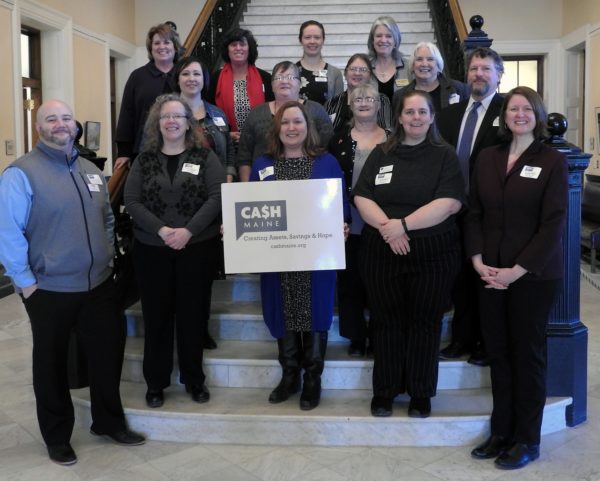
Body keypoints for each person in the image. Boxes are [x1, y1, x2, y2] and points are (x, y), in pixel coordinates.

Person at [0, 99, 145, 466]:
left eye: (66, 118)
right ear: (39, 128)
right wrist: (26, 283)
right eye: (51, 119)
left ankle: (108, 422)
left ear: (75, 125)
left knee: (107, 356)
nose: (61, 124)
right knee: (50, 366)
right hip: (48, 290)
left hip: (98, 285)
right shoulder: (21, 173)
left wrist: (108, 258)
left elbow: (106, 219)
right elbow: (7, 232)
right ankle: (57, 436)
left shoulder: (88, 169)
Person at [465, 86, 568, 469]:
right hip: (489, 272)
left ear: (537, 115)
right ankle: (501, 432)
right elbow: (473, 212)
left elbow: (552, 224)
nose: (519, 114)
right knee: (499, 355)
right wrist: (477, 261)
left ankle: (527, 439)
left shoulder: (552, 160)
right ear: (504, 116)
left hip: (533, 276)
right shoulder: (488, 158)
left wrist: (516, 271)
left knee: (526, 357)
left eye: (527, 109)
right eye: (513, 108)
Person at [353, 90, 464, 418]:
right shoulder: (381, 152)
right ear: (399, 117)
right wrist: (390, 229)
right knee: (385, 321)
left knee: (424, 323)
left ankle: (420, 392)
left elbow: (450, 202)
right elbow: (362, 195)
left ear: (432, 117)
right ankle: (384, 391)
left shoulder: (445, 155)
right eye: (409, 112)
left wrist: (403, 226)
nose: (416, 118)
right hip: (382, 252)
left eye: (422, 112)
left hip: (433, 253)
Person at [124, 94, 225, 409]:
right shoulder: (144, 159)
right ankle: (156, 383)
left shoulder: (206, 157)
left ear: (187, 123)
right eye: (165, 117)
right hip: (152, 250)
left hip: (196, 249)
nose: (171, 121)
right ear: (157, 123)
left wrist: (188, 231)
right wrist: (163, 230)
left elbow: (216, 197)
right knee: (157, 319)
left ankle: (194, 380)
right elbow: (132, 199)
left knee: (193, 317)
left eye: (177, 116)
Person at [250, 101, 350, 410]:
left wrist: (342, 225)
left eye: (298, 122)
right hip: (278, 255)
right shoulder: (262, 164)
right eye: (286, 123)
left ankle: (312, 379)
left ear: (308, 128)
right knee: (282, 310)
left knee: (315, 310)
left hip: (316, 253)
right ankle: (289, 374)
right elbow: (251, 207)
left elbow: (340, 204)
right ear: (277, 129)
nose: (292, 128)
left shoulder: (327, 162)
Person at [436, 47, 505, 365]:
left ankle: (485, 344)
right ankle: (461, 339)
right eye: (474, 68)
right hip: (453, 209)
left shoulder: (508, 112)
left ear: (498, 75)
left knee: (486, 278)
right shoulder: (450, 113)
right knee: (459, 278)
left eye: (486, 69)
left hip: (490, 212)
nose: (479, 74)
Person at [175, 56, 233, 350]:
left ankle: (200, 328)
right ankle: (179, 329)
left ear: (204, 79)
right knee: (176, 277)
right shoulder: (167, 111)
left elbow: (229, 154)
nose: (192, 78)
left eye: (197, 73)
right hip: (176, 205)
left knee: (203, 275)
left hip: (211, 203)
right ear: (178, 78)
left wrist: (231, 181)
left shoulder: (217, 114)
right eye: (186, 73)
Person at [328, 83, 389, 357]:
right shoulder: (337, 139)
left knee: (379, 283)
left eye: (369, 98)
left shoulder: (392, 139)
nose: (364, 102)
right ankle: (356, 336)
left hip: (382, 223)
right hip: (347, 223)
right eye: (358, 99)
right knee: (350, 282)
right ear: (350, 105)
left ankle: (379, 335)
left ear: (378, 105)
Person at [237, 61, 334, 182]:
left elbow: (329, 147)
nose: (284, 81)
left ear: (300, 84)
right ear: (271, 86)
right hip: (264, 187)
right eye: (279, 77)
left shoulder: (316, 111)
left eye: (290, 77)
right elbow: (244, 157)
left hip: (312, 183)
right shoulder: (256, 114)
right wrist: (248, 191)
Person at [114, 23, 181, 169]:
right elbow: (127, 113)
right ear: (151, 48)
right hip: (145, 149)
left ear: (175, 47)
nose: (161, 46)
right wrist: (123, 152)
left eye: (166, 42)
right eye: (156, 43)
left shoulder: (185, 74)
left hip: (181, 147)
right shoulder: (137, 76)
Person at [207, 28, 274, 146]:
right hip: (226, 144)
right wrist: (226, 134)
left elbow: (273, 112)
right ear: (227, 50)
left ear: (250, 49)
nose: (238, 48)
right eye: (233, 45)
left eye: (242, 44)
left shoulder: (266, 78)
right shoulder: (215, 79)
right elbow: (208, 113)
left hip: (260, 143)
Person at [392, 41, 470, 114]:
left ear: (438, 65)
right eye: (419, 59)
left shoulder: (460, 90)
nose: (424, 64)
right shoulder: (399, 97)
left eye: (430, 59)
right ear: (412, 65)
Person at [324, 53, 393, 133]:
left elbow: (387, 131)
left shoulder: (381, 100)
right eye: (353, 69)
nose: (357, 73)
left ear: (370, 76)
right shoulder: (332, 103)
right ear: (345, 74)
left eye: (363, 70)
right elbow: (325, 134)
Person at [296, 20, 344, 104]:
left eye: (317, 37)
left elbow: (338, 108)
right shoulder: (291, 72)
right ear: (300, 40)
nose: (312, 41)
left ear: (323, 40)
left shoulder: (335, 73)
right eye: (307, 37)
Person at [367, 16, 409, 103]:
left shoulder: (409, 67)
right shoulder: (364, 68)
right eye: (379, 36)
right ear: (372, 40)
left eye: (388, 36)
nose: (383, 40)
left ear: (395, 40)